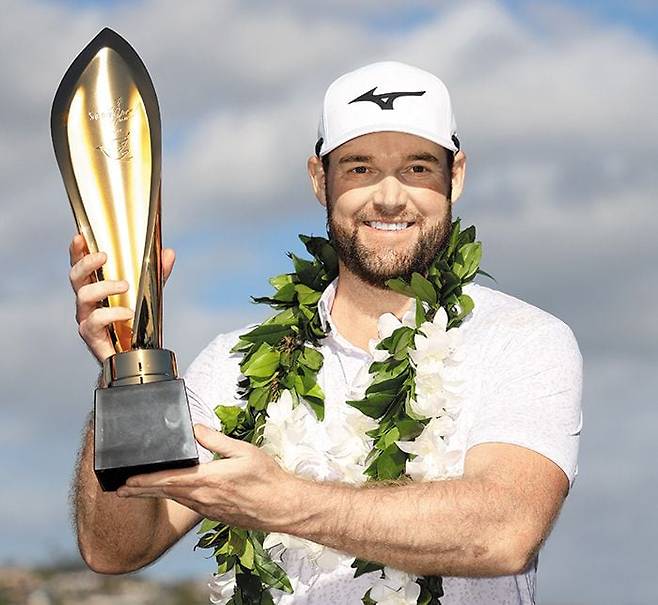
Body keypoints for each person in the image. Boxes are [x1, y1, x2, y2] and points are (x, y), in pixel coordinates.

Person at [68, 61, 583, 604]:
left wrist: (283, 501)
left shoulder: (523, 339)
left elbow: (503, 534)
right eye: (360, 168)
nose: (389, 198)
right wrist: (127, 368)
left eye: (417, 168)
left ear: (455, 176)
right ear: (320, 178)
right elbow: (116, 549)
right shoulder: (237, 365)